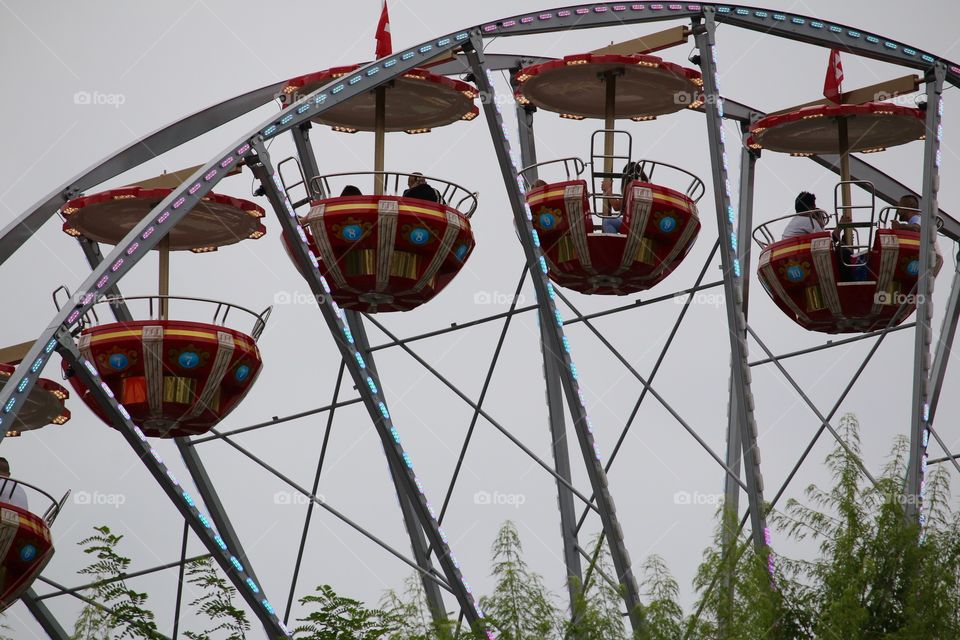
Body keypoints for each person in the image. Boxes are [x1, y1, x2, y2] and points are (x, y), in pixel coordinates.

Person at [599, 161, 649, 233]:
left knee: (607, 222)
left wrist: (608, 190)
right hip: (646, 223)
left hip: (633, 222)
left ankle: (614, 243)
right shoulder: (648, 185)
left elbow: (617, 206)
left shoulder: (632, 185)